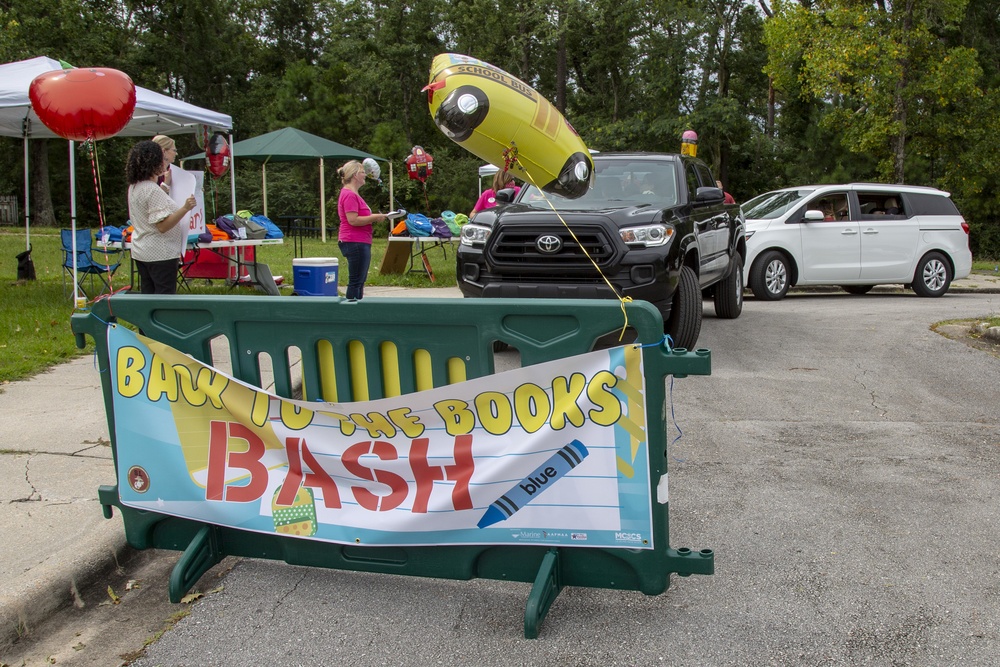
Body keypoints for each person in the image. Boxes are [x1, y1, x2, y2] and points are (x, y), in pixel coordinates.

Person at [126, 140, 197, 294]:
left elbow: (151, 205)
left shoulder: (135, 186)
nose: (164, 162)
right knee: (165, 299)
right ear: (154, 162)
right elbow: (162, 226)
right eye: (162, 159)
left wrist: (165, 185)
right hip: (160, 253)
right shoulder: (151, 190)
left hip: (142, 250)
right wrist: (185, 208)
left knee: (149, 296)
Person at [337, 160, 389, 301]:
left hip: (359, 241)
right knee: (356, 281)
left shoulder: (353, 193)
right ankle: (352, 312)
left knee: (359, 280)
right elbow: (352, 220)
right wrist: (374, 217)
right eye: (362, 172)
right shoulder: (349, 195)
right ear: (355, 175)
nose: (365, 174)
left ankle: (356, 309)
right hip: (354, 241)